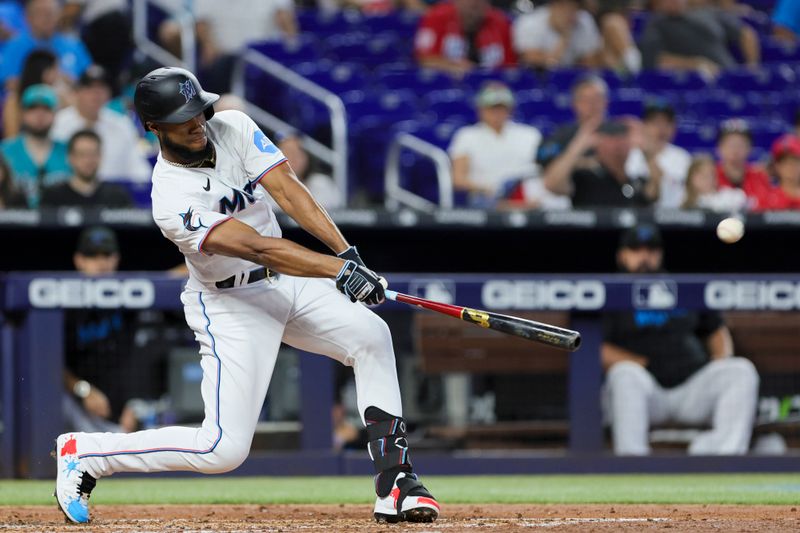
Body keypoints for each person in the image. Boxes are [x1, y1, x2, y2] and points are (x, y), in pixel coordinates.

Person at [54, 67, 440, 525]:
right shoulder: (170, 198)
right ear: (154, 127)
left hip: (287, 282)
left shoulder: (233, 126)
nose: (197, 123)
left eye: (199, 110)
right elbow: (258, 247)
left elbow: (289, 192)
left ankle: (394, 483)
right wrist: (338, 271)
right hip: (230, 303)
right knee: (221, 449)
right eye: (183, 118)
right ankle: (86, 453)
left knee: (372, 336)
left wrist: (346, 253)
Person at [603, 223, 759, 456]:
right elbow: (596, 347)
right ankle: (632, 463)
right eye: (636, 250)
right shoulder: (608, 291)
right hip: (646, 389)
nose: (644, 256)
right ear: (622, 255)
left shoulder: (681, 287)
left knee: (740, 370)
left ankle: (723, 459)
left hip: (691, 388)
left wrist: (720, 359)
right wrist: (641, 364)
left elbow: (715, 328)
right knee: (624, 374)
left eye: (651, 250)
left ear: (660, 254)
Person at [160, 0, 298, 94]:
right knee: (223, 67)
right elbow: (202, 23)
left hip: (262, 56)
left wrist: (292, 48)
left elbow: (287, 24)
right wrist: (209, 47)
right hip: (226, 56)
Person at [51, 65, 153, 183]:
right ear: (77, 92)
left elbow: (137, 166)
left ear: (108, 94)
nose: (96, 94)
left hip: (114, 194)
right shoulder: (59, 122)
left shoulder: (121, 124)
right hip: (72, 193)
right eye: (89, 88)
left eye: (101, 88)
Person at [448, 81, 542, 204]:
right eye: (492, 107)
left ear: (510, 110)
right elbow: (458, 179)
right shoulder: (467, 135)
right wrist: (487, 188)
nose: (497, 113)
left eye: (502, 108)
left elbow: (543, 170)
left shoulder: (530, 134)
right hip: (487, 197)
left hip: (528, 194)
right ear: (481, 109)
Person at [640, 0, 760, 77]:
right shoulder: (656, 25)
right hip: (697, 81)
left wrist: (752, 66)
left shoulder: (708, 12)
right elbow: (656, 61)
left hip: (730, 73)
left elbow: (746, 34)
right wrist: (696, 64)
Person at [0, 84, 71, 208]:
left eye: (46, 109)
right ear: (22, 113)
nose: (39, 115)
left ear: (55, 114)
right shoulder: (4, 152)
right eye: (32, 108)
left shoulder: (70, 152)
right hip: (15, 222)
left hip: (60, 222)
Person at [559, 119, 657, 207]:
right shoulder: (586, 178)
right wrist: (579, 145)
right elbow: (553, 184)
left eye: (622, 138)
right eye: (611, 139)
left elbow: (653, 192)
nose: (618, 145)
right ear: (598, 145)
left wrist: (647, 150)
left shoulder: (636, 181)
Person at [538, 75, 609, 190]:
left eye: (597, 99)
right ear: (575, 104)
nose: (592, 105)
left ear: (605, 102)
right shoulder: (562, 135)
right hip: (571, 194)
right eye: (586, 100)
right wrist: (583, 162)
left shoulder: (617, 131)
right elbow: (545, 161)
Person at [0, 0, 92, 87]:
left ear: (59, 15)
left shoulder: (73, 45)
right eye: (40, 13)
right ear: (28, 17)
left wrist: (68, 81)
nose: (46, 18)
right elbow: (7, 81)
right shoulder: (14, 46)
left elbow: (88, 79)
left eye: (51, 13)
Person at [414, 0, 515, 76]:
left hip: (490, 85)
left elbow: (510, 67)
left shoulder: (501, 22)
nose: (474, 4)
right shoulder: (436, 17)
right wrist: (451, 66)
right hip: (449, 83)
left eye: (480, 2)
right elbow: (425, 59)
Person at [40, 130, 134, 208]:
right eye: (82, 154)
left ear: (100, 156)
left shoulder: (116, 196)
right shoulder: (53, 197)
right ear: (70, 158)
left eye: (93, 154)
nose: (88, 160)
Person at [625, 99, 691, 209]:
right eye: (655, 123)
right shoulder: (631, 156)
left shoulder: (682, 158)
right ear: (644, 126)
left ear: (673, 128)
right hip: (638, 214)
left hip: (674, 218)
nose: (661, 128)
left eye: (666, 123)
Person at [512, 0, 603, 69]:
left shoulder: (584, 20)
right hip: (539, 82)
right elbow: (537, 65)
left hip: (574, 80)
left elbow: (592, 65)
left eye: (575, 7)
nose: (571, 12)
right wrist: (564, 38)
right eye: (565, 6)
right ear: (554, 5)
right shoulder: (530, 22)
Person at [275, 129, 343, 210]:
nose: (292, 158)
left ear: (307, 157)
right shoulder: (264, 188)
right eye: (287, 152)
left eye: (297, 153)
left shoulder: (321, 184)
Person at [715, 118, 773, 211]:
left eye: (740, 145)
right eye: (730, 144)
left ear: (749, 149)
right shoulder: (710, 176)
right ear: (719, 148)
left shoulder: (759, 177)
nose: (735, 150)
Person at [681, 153, 747, 212]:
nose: (709, 180)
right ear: (691, 178)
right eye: (703, 175)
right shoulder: (681, 197)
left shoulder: (731, 196)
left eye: (712, 174)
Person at [764, 134, 800, 210]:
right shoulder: (767, 197)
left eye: (795, 161)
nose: (790, 167)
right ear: (776, 166)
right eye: (784, 162)